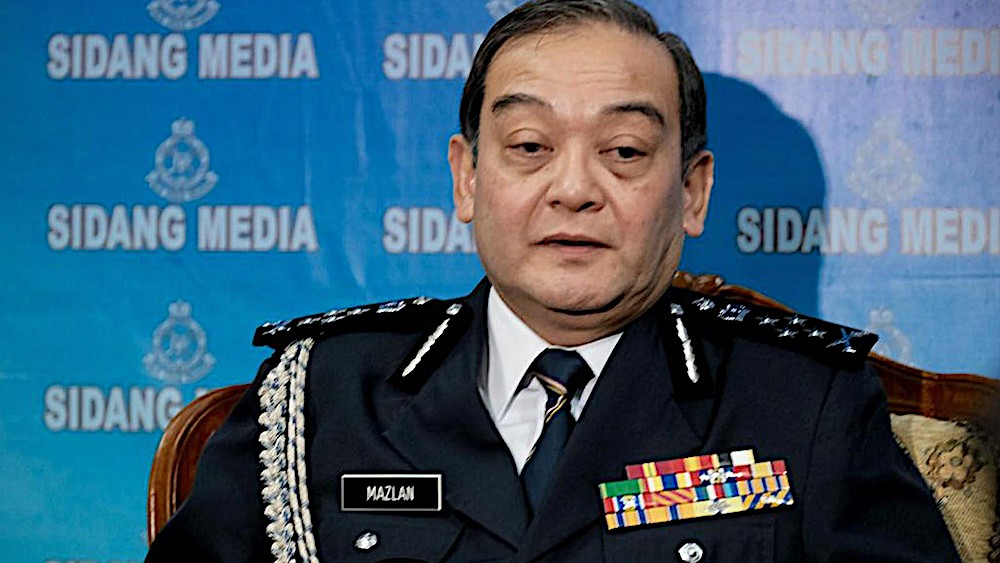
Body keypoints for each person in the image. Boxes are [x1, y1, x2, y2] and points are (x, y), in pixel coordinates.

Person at [146, 1, 959, 561]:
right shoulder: (320, 394)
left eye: (625, 152)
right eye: (530, 147)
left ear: (693, 191)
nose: (573, 189)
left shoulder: (805, 404)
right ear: (467, 178)